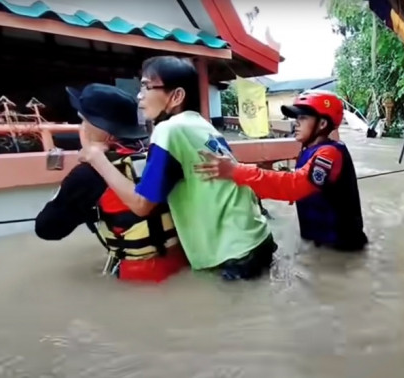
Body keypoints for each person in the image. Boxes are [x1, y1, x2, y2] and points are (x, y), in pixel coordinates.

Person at [78, 56, 277, 281]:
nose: (139, 96)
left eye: (146, 86)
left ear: (177, 96)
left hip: (233, 255)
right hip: (258, 238)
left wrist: (97, 158)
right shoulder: (203, 125)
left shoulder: (168, 130)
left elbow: (141, 205)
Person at [35, 83, 186, 282]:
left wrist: (84, 205)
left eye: (84, 121)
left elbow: (47, 229)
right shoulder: (160, 155)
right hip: (182, 264)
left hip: (139, 277)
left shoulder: (88, 175)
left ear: (102, 131)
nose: (82, 128)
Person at [194, 90, 368, 252]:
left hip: (340, 247)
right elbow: (299, 183)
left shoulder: (329, 153)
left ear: (322, 123)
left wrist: (236, 171)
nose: (296, 123)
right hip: (322, 244)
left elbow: (296, 185)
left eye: (303, 117)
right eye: (296, 117)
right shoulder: (309, 149)